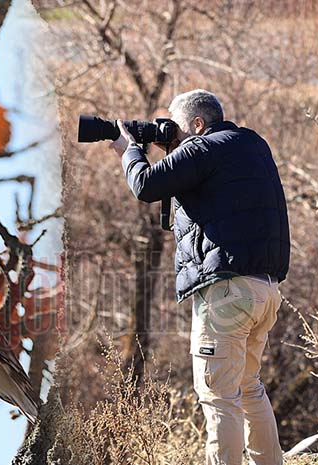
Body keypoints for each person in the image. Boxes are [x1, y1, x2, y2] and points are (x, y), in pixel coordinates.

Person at [109, 89, 290, 465]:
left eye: (173, 127)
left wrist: (129, 147)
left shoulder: (201, 149)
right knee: (248, 388)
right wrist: (173, 148)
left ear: (196, 124)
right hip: (264, 288)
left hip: (226, 294)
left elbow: (144, 185)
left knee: (218, 396)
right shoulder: (251, 144)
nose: (169, 134)